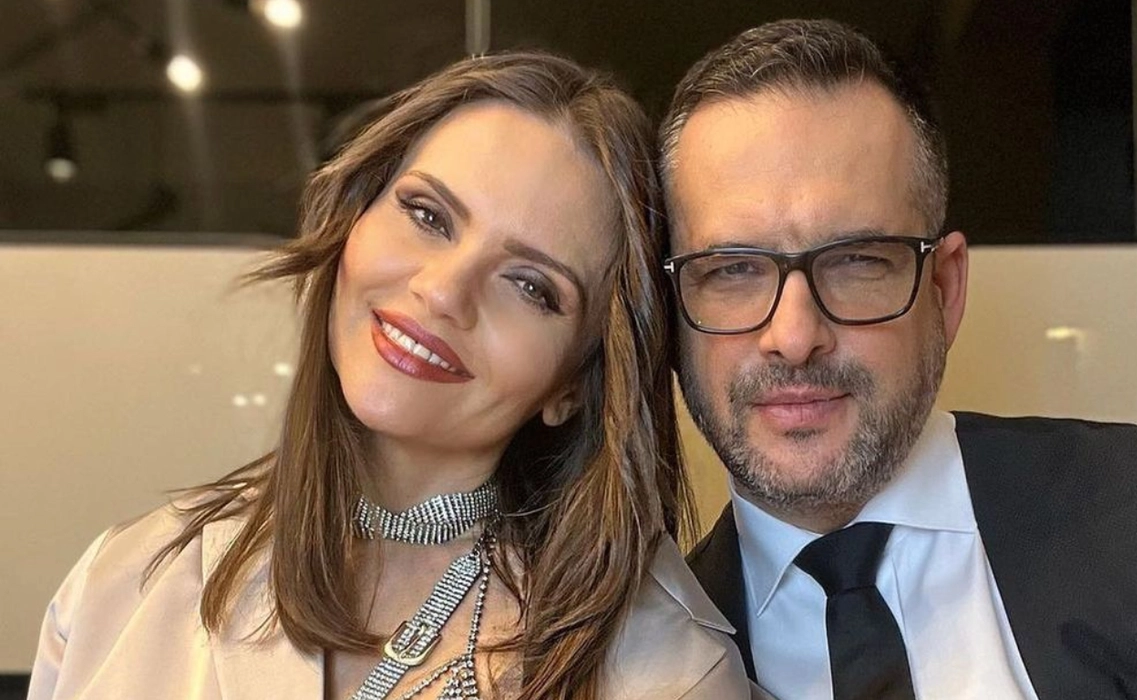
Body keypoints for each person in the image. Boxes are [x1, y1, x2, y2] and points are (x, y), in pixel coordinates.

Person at [29, 51, 748, 700]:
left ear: (576, 383)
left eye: (531, 286)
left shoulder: (668, 674)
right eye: (427, 215)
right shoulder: (120, 584)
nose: (442, 290)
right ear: (353, 217)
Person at [659, 18, 1137, 700]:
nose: (793, 336)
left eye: (856, 261)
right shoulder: (645, 658)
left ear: (944, 289)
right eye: (731, 270)